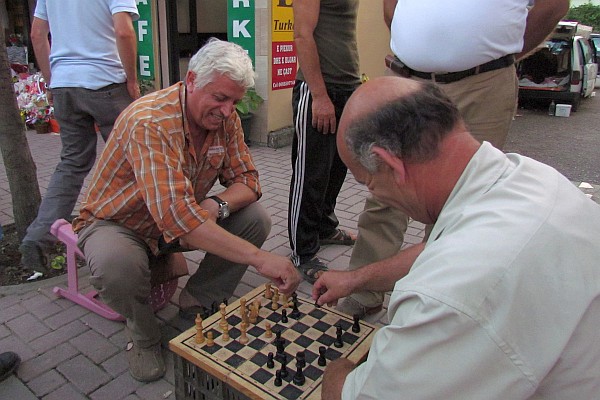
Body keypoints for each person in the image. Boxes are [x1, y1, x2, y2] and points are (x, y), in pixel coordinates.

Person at [314, 76, 600, 399]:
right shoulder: (532, 177)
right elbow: (439, 248)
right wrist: (356, 279)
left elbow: (355, 395)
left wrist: (338, 371)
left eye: (368, 182)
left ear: (392, 164)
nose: (374, 193)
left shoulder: (447, 295)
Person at [72, 39, 301, 382]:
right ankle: (144, 336)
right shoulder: (150, 120)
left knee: (255, 219)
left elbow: (249, 182)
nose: (227, 111)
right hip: (119, 223)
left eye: (235, 101)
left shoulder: (225, 119)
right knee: (115, 264)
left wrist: (216, 204)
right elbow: (178, 219)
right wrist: (260, 259)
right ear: (192, 80)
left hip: (177, 219)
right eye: (220, 98)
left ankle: (199, 300)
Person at [337, 0, 570, 317]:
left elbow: (553, 5)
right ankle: (364, 288)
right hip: (407, 77)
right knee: (384, 188)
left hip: (481, 82)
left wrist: (495, 54)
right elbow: (391, 8)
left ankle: (435, 301)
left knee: (463, 197)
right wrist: (414, 46)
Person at [20, 0, 140, 272]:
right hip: (107, 82)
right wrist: (131, 80)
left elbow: (38, 35)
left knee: (72, 164)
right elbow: (124, 32)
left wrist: (53, 81)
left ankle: (38, 239)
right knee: (134, 162)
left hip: (65, 86)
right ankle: (139, 237)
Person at [288, 0, 360, 283]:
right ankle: (302, 251)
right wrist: (319, 96)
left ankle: (324, 227)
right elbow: (302, 35)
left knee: (338, 167)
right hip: (319, 89)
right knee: (312, 173)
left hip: (347, 86)